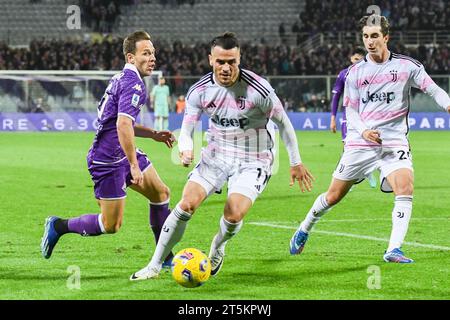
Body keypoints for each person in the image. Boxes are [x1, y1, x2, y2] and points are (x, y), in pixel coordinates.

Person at [130, 32, 314, 280]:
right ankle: (154, 264)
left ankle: (217, 247)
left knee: (233, 214)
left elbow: (284, 124)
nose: (226, 68)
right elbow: (187, 127)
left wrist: (296, 162)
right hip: (216, 156)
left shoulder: (259, 90)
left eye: (232, 62)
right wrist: (185, 148)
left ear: (239, 59)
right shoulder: (200, 91)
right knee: (185, 206)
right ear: (210, 60)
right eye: (220, 62)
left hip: (253, 159)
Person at [290, 15, 450, 263]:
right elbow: (351, 110)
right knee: (333, 196)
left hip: (394, 141)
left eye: (374, 36)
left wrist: (447, 104)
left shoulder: (408, 67)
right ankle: (304, 227)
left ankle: (393, 249)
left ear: (386, 37)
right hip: (360, 143)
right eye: (366, 36)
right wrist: (364, 131)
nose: (369, 41)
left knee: (405, 188)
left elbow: (432, 89)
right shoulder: (354, 73)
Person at [40, 31, 176, 268]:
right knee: (110, 225)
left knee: (161, 194)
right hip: (107, 161)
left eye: (153, 53)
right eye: (146, 53)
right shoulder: (134, 84)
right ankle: (58, 225)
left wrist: (152, 134)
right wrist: (134, 165)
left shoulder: (120, 77)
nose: (153, 58)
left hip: (121, 151)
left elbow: (122, 122)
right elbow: (122, 124)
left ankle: (164, 257)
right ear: (131, 57)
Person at [330, 46, 377, 189]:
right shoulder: (344, 74)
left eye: (360, 59)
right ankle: (351, 178)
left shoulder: (372, 74)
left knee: (370, 145)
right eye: (355, 59)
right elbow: (336, 96)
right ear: (351, 59)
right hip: (349, 117)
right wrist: (333, 117)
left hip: (368, 118)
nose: (357, 62)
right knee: (348, 147)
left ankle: (365, 171)